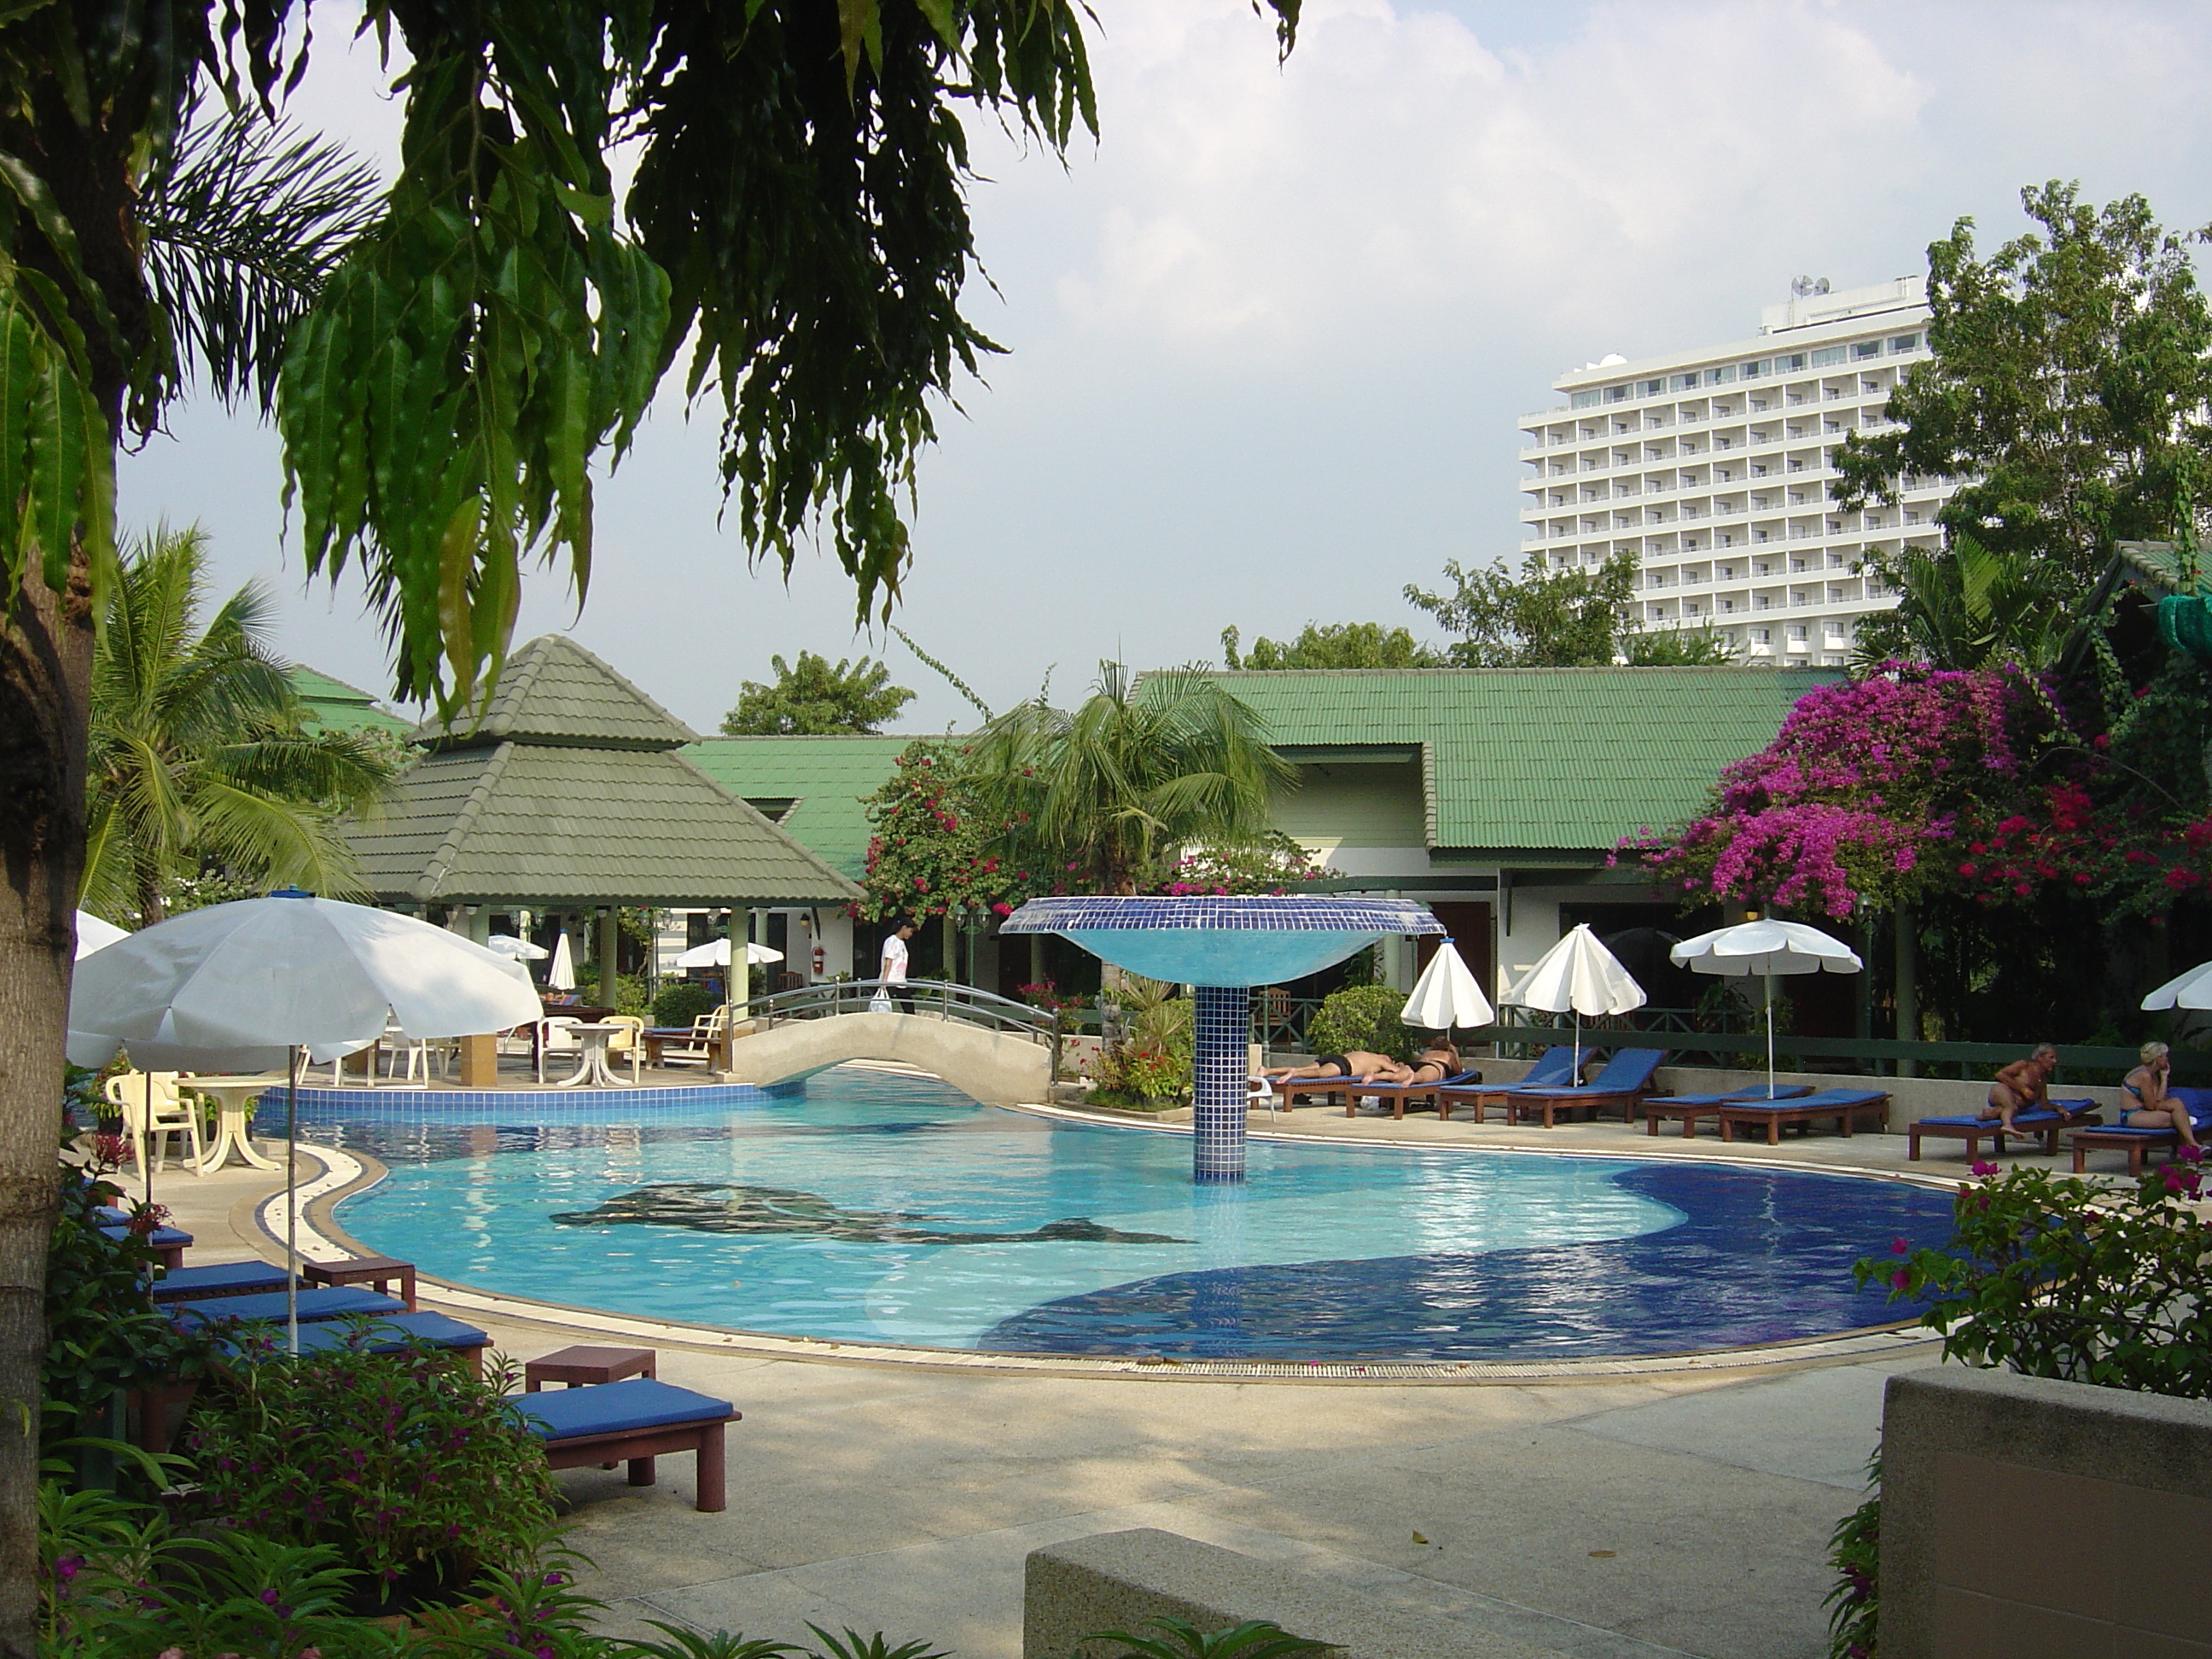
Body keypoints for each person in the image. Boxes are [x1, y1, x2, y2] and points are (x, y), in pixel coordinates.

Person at [2121, 1040, 2198, 1148]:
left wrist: (2164, 1077)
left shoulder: (2153, 1075)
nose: (2167, 1059)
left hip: (2145, 1113)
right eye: (2165, 1056)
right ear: (2158, 1058)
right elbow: (2151, 1106)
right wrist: (2174, 1107)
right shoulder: (2144, 1076)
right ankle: (2192, 1146)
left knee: (2178, 1112)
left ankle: (2192, 1145)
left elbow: (2160, 1099)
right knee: (2177, 1118)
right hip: (2132, 1115)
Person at [1981, 1043, 2060, 1132]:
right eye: (2051, 1057)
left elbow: (2043, 1104)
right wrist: (2023, 1089)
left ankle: (1986, 1115)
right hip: (2001, 1091)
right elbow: (2000, 1075)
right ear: (2040, 1057)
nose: (2055, 1061)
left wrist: (2058, 1108)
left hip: (2014, 1105)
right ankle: (2007, 1125)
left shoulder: (2043, 1079)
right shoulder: (2024, 1066)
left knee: (2012, 1110)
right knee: (2010, 1106)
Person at [879, 921, 917, 1016]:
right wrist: (884, 981)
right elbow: (889, 961)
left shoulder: (901, 943)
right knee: (886, 1007)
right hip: (891, 980)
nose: (911, 934)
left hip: (900, 981)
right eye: (910, 931)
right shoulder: (892, 941)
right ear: (904, 928)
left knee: (909, 1007)